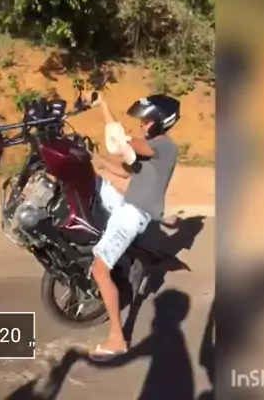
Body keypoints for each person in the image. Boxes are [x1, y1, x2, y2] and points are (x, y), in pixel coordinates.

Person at [84, 91, 180, 361]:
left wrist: (104, 106)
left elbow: (121, 143)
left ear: (161, 121)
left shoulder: (165, 147)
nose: (142, 124)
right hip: (126, 205)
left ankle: (117, 339)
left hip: (134, 214)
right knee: (95, 184)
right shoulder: (147, 150)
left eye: (147, 121)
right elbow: (124, 170)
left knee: (100, 270)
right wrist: (96, 160)